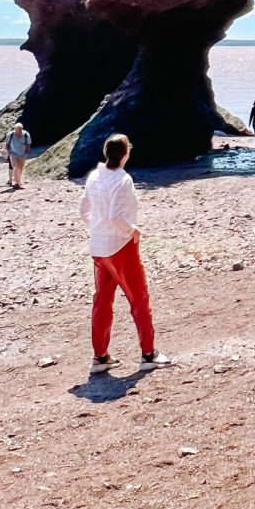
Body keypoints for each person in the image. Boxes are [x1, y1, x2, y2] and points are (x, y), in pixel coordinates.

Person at [79, 133, 171, 375]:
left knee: (102, 301)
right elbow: (117, 216)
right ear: (126, 153)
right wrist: (133, 230)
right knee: (139, 299)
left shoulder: (94, 176)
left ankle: (100, 356)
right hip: (121, 246)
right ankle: (148, 353)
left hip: (99, 248)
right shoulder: (123, 179)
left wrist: (97, 228)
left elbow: (84, 210)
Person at [5, 122, 32, 188]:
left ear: (21, 129)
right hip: (13, 153)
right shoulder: (10, 134)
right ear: (14, 129)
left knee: (20, 168)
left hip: (22, 154)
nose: (18, 133)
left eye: (19, 131)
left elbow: (28, 144)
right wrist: (9, 152)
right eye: (16, 131)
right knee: (15, 166)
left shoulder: (26, 134)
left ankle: (18, 181)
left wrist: (27, 152)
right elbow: (7, 144)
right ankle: (17, 183)